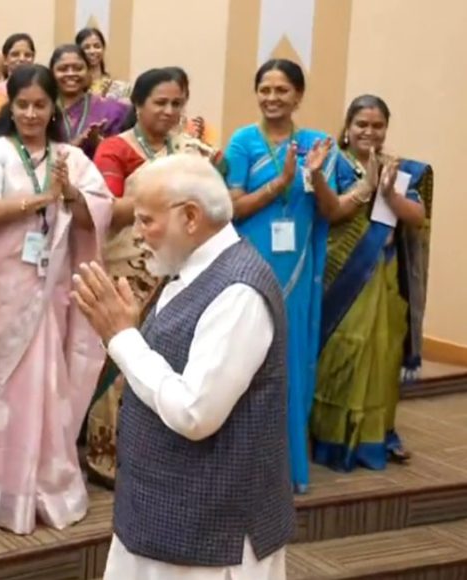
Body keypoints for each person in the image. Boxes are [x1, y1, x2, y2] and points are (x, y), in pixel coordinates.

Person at [71, 153, 295, 580]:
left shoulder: (239, 292)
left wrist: (123, 339)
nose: (138, 235)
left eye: (146, 221)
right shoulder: (194, 268)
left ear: (190, 217)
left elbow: (196, 413)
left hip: (210, 539)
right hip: (165, 516)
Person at [0, 64, 112, 535]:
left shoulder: (71, 157)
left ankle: (47, 483)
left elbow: (101, 212)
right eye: (21, 104)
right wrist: (44, 198)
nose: (29, 113)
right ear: (11, 107)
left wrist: (69, 194)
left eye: (39, 105)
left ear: (52, 110)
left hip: (49, 292)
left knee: (45, 387)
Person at [224, 58, 343, 495]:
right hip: (251, 267)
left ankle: (287, 466)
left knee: (289, 361)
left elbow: (331, 211)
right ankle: (243, 464)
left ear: (298, 96)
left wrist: (313, 175)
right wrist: (282, 183)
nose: (272, 98)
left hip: (296, 271)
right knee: (247, 358)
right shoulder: (243, 142)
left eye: (282, 90)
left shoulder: (316, 144)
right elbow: (234, 207)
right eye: (265, 89)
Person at [85, 66, 198, 487]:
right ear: (138, 105)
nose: (169, 111)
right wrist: (163, 197)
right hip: (128, 268)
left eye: (177, 103)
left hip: (175, 270)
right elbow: (108, 209)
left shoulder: (189, 150)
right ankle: (106, 456)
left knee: (167, 358)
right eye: (160, 103)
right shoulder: (117, 149)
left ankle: (155, 455)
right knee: (121, 359)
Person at [312, 95, 431, 472]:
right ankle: (329, 440)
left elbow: (417, 217)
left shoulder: (396, 168)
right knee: (342, 355)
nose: (369, 131)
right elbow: (329, 213)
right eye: (361, 124)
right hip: (340, 277)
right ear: (347, 128)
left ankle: (374, 437)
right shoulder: (332, 163)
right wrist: (367, 189)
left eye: (377, 125)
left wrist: (390, 192)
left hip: (383, 275)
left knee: (380, 357)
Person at [49, 44, 126, 159]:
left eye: (78, 68)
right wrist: (74, 145)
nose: (71, 73)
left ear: (89, 72)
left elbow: (123, 154)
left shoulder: (112, 110)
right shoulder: (43, 109)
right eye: (63, 69)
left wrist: (99, 142)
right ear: (51, 73)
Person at [75, 28, 129, 101]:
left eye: (97, 46)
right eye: (86, 47)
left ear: (103, 49)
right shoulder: (74, 86)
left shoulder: (117, 87)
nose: (92, 51)